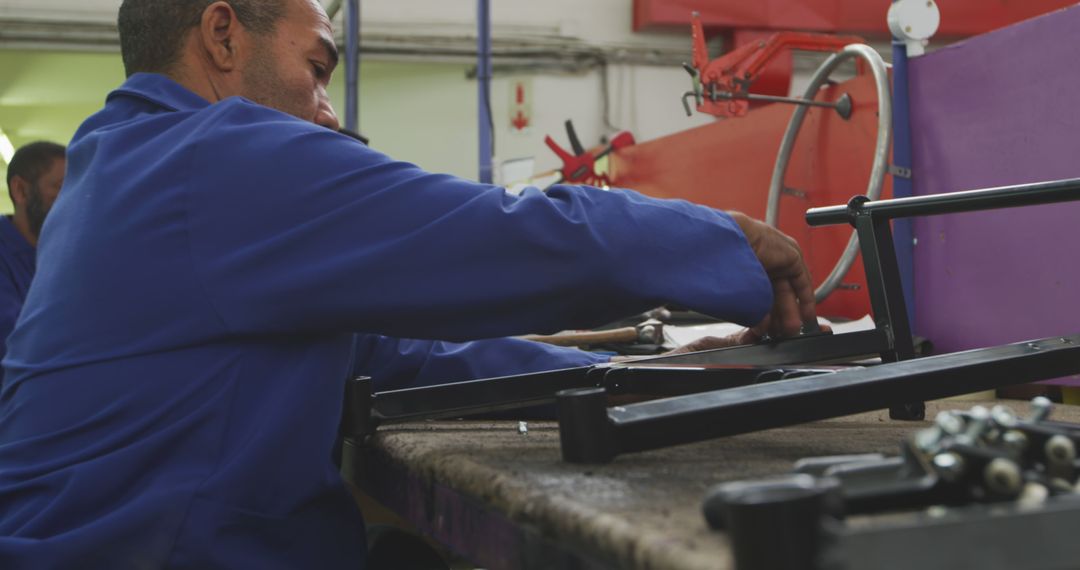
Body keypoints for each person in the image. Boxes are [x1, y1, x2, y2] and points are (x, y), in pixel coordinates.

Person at [0, 1, 816, 569]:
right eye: (316, 68)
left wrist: (648, 383)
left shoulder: (120, 169)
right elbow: (503, 237)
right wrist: (723, 244)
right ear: (221, 35)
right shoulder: (208, 158)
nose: (325, 110)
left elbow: (405, 358)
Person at [0, 141, 65, 362]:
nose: (71, 199)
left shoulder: (64, 256)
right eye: (60, 186)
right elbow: (13, 341)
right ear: (20, 190)